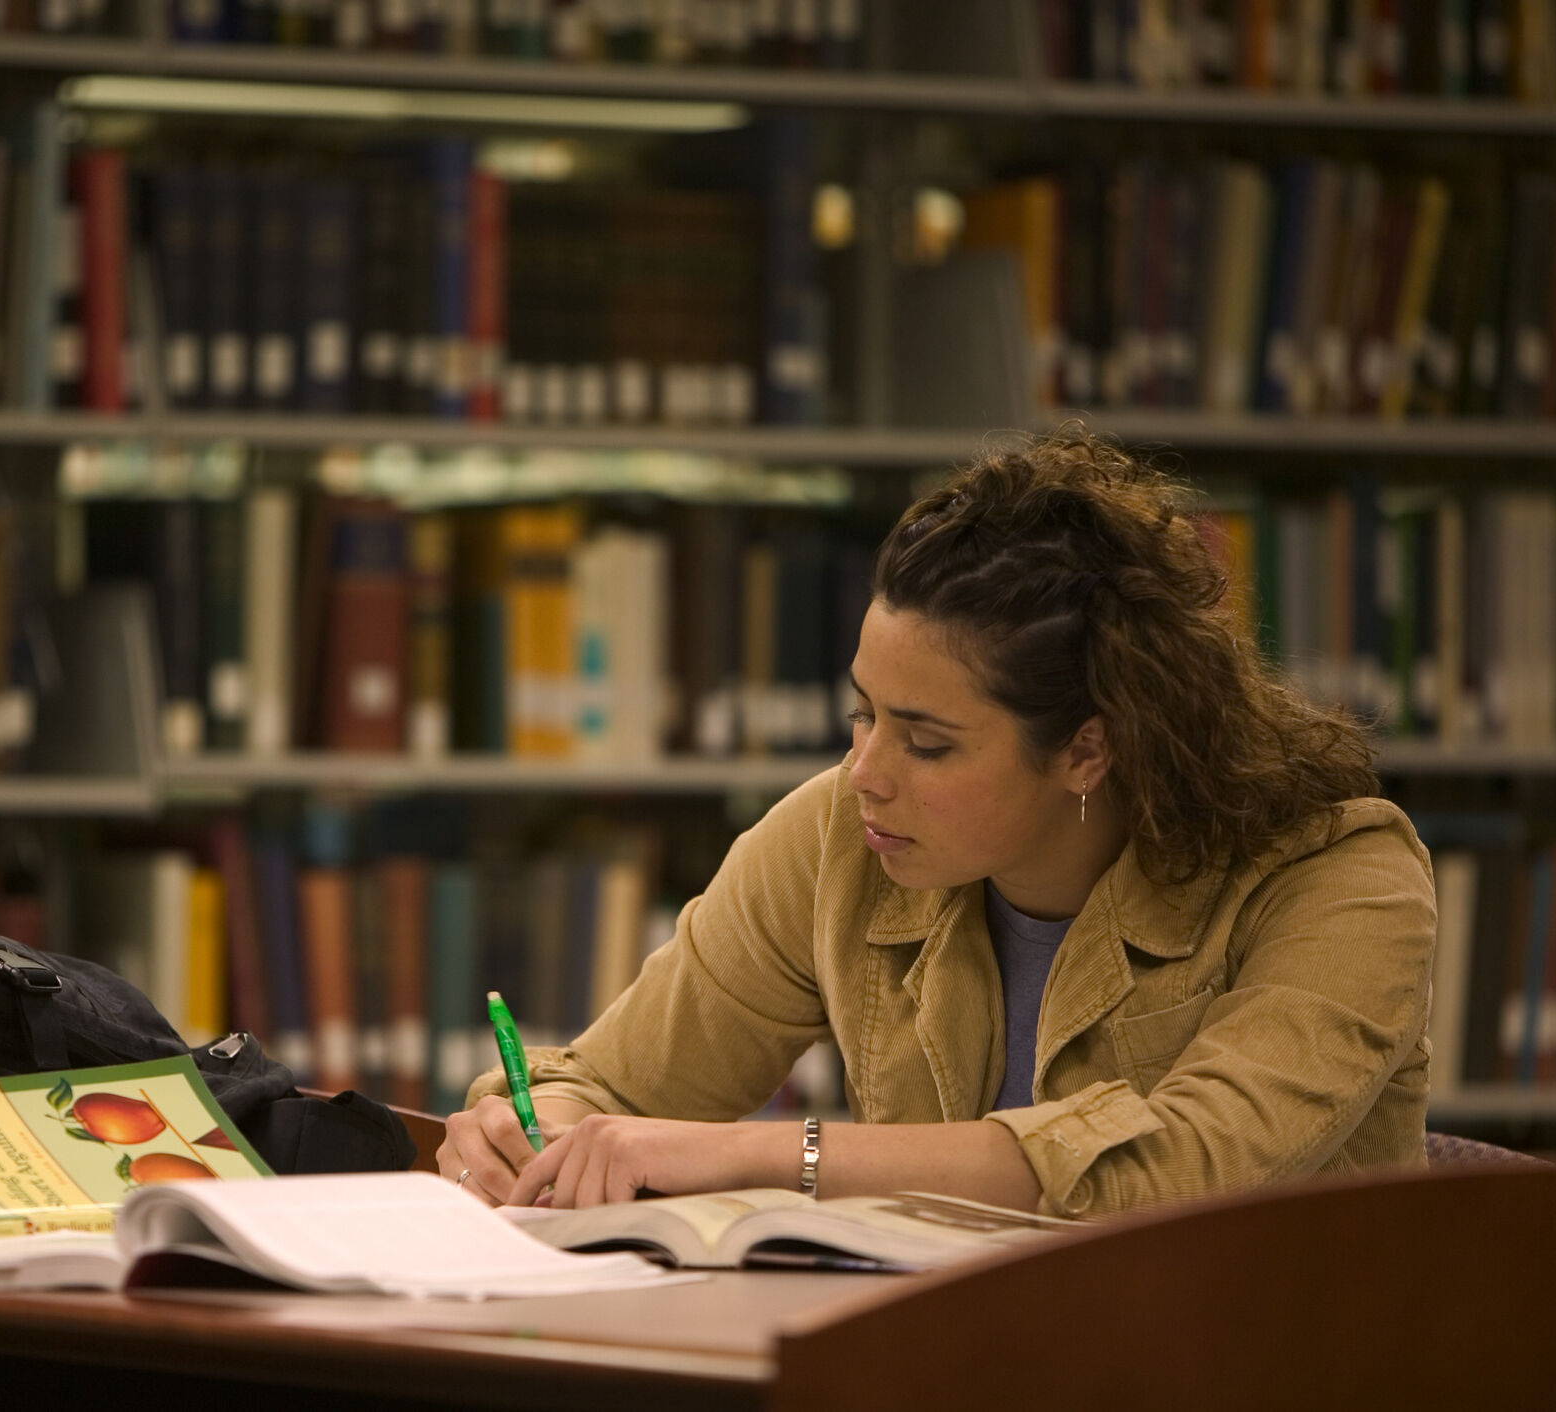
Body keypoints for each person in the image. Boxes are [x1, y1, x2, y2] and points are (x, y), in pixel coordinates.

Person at [439, 428, 1436, 1220]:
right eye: (861, 712)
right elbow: (606, 1080)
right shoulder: (840, 836)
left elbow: (1181, 1163)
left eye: (925, 742)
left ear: (1088, 748)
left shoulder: (1339, 873)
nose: (862, 774)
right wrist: (536, 1126)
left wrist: (764, 1151)